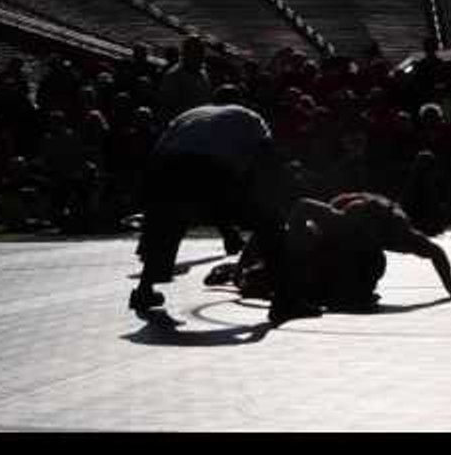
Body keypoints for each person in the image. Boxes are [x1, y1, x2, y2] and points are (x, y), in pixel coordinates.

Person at [131, 102, 317, 323]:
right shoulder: (254, 122)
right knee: (270, 223)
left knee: (164, 226)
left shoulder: (193, 114)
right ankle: (285, 301)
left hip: (162, 169)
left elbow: (163, 154)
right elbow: (244, 175)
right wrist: (231, 228)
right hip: (203, 167)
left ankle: (144, 291)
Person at [212, 192, 451, 311]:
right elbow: (300, 207)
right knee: (263, 276)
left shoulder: (396, 233)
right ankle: (238, 271)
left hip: (352, 253)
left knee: (341, 286)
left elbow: (435, 252)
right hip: (324, 240)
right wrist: (296, 245)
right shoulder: (339, 219)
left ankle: (335, 284)